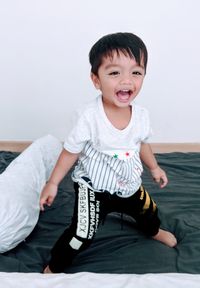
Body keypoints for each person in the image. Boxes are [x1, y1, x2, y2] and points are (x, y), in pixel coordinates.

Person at [40, 32, 177, 273]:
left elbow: (143, 144)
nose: (127, 80)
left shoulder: (141, 115)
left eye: (136, 72)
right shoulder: (88, 117)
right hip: (93, 188)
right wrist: (52, 183)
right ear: (96, 79)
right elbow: (71, 151)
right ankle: (55, 266)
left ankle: (154, 231)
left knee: (149, 211)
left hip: (129, 184)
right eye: (114, 73)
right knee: (81, 233)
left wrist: (154, 168)